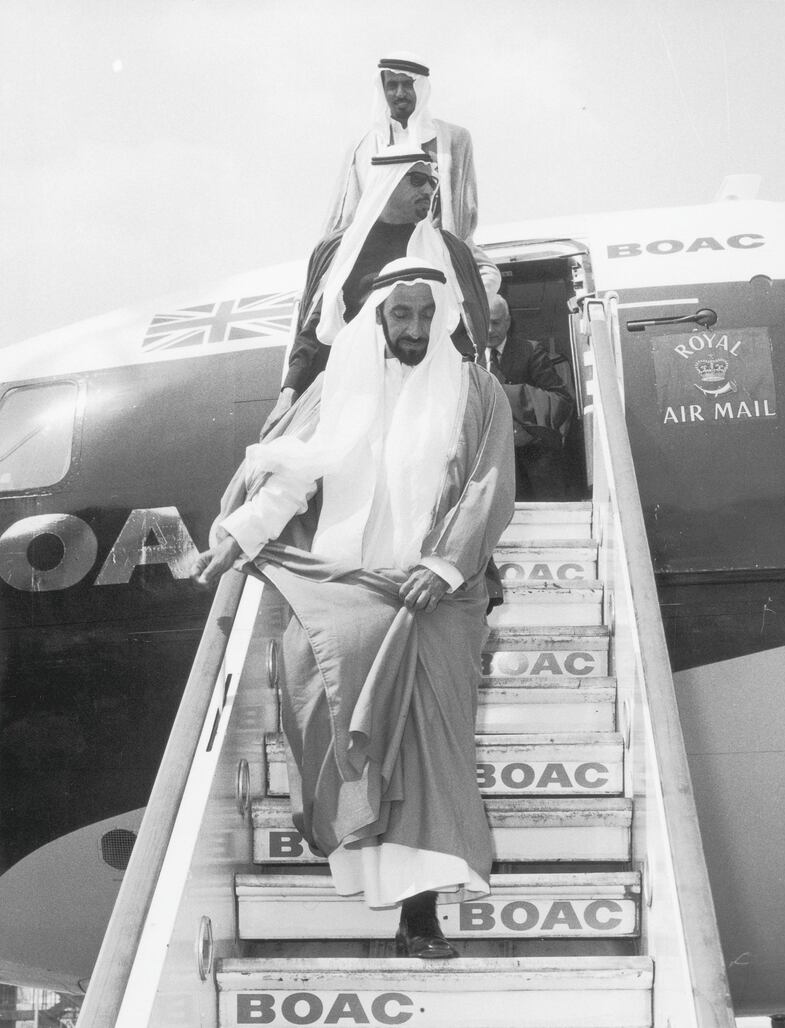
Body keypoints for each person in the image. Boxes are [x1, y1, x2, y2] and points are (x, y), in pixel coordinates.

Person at [192, 258, 515, 959]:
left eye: (427, 315)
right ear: (376, 317)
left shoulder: (475, 390)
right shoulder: (334, 392)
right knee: (341, 736)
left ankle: (420, 915)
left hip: (434, 600)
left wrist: (443, 564)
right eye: (402, 315)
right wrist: (237, 535)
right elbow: (286, 483)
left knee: (428, 756)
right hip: (345, 587)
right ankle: (379, 882)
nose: (416, 329)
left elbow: (490, 486)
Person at [267, 145, 498, 430]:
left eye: (433, 182)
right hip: (355, 399)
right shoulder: (340, 249)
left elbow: (463, 333)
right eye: (417, 179)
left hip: (427, 402)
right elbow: (315, 330)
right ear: (387, 180)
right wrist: (288, 393)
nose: (429, 189)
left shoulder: (449, 250)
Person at [324, 52, 484, 251]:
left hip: (442, 252)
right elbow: (347, 217)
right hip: (378, 254)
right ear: (382, 89)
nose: (400, 93)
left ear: (421, 87)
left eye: (407, 84)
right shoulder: (362, 148)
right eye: (392, 86)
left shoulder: (453, 140)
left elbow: (466, 213)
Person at [484, 294, 575, 501]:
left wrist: (509, 395)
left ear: (507, 322)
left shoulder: (530, 351)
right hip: (490, 470)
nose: (489, 330)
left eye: (496, 322)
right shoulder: (468, 359)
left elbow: (561, 400)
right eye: (484, 322)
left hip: (535, 464)